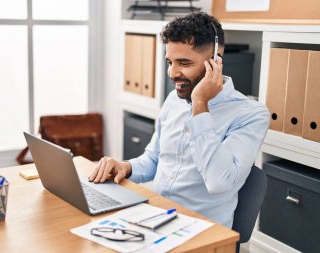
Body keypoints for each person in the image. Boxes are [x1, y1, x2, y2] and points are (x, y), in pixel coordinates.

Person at [89, 12, 270, 228]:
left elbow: (219, 182)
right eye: (169, 62)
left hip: (201, 230)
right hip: (153, 216)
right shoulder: (173, 100)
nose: (172, 73)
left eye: (184, 63)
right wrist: (125, 167)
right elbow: (155, 159)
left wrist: (200, 104)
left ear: (216, 61)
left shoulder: (251, 114)